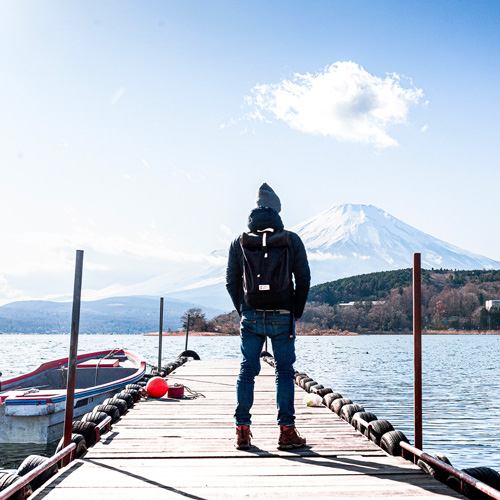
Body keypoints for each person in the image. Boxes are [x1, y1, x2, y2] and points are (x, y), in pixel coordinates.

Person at [226, 183, 311, 450]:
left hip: (251, 314)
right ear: (278, 211)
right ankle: (286, 432)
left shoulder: (239, 241)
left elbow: (231, 281)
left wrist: (244, 310)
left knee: (247, 370)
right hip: (283, 315)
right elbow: (304, 278)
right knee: (284, 372)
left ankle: (242, 431)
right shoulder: (291, 239)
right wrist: (295, 311)